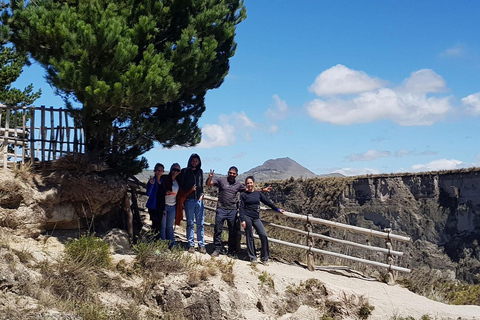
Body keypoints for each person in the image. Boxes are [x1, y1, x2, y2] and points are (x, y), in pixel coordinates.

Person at [240, 175, 284, 265]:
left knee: (263, 235)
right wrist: (242, 220)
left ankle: (264, 258)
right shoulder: (243, 195)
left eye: (251, 183)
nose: (249, 185)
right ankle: (253, 257)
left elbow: (267, 202)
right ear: (246, 185)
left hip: (256, 218)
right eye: (247, 183)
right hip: (247, 216)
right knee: (250, 237)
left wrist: (277, 209)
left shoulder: (258, 194)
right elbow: (241, 208)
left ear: (254, 183)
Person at [206, 166, 245, 257]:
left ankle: (231, 250)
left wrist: (262, 190)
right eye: (230, 173)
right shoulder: (221, 180)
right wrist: (210, 177)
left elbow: (249, 190)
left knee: (232, 231)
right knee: (218, 229)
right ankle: (217, 249)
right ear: (228, 173)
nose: (232, 175)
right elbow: (209, 183)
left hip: (232, 210)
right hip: (221, 209)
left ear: (236, 175)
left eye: (233, 173)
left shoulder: (238, 184)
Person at [178, 153, 206, 254]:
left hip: (199, 200)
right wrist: (185, 194)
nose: (194, 162)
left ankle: (201, 244)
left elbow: (201, 185)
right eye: (193, 161)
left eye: (196, 161)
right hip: (189, 200)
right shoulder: (185, 171)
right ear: (190, 161)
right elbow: (180, 184)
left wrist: (202, 194)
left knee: (200, 223)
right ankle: (191, 244)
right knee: (190, 223)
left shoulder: (200, 171)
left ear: (199, 162)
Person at [162, 163, 181, 249]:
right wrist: (165, 192)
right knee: (163, 226)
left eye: (177, 170)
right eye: (174, 169)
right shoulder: (164, 179)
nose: (175, 172)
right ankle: (161, 245)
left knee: (169, 227)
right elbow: (159, 189)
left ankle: (171, 245)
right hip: (164, 204)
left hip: (173, 206)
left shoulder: (178, 182)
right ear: (170, 169)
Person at [146, 163, 166, 240]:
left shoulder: (162, 181)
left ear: (163, 171)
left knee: (159, 224)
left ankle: (156, 241)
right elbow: (148, 193)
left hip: (160, 206)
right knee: (155, 224)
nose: (159, 172)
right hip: (153, 206)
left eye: (161, 170)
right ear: (154, 171)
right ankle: (153, 240)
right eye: (158, 170)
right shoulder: (152, 181)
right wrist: (151, 184)